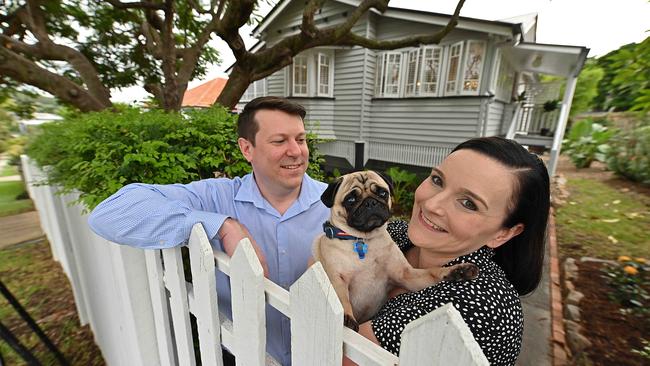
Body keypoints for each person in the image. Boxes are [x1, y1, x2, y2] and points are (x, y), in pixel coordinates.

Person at [88, 96, 330, 365]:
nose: (296, 151)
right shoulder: (215, 197)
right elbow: (109, 213)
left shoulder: (337, 204)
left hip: (325, 355)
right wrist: (222, 225)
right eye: (279, 141)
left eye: (300, 139)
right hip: (240, 355)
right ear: (246, 149)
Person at [349, 136, 550, 366]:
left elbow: (340, 353)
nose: (432, 204)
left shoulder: (479, 305)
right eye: (437, 180)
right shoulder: (395, 233)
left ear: (503, 233)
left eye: (468, 203)